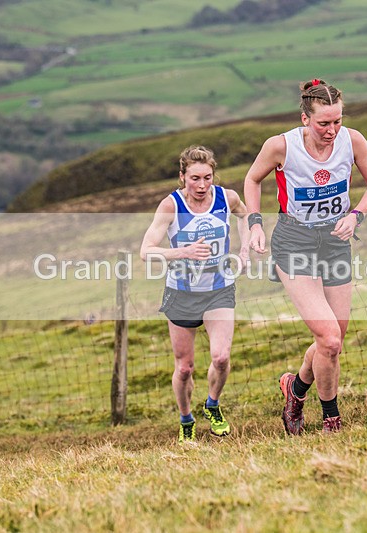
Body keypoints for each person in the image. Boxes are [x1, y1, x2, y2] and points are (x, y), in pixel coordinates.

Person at [243, 79, 367, 434]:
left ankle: (295, 389)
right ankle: (331, 419)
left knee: (332, 341)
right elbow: (252, 179)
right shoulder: (281, 146)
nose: (332, 130)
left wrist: (355, 217)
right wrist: (255, 225)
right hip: (294, 243)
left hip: (335, 242)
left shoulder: (352, 141)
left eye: (337, 121)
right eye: (324, 123)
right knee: (330, 338)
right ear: (305, 118)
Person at [140, 145, 249, 443]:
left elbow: (245, 215)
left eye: (207, 178)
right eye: (194, 179)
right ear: (182, 177)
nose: (201, 186)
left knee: (222, 357)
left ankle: (212, 405)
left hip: (219, 289)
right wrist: (183, 252)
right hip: (182, 294)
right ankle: (186, 419)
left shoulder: (227, 198)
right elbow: (145, 251)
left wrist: (245, 251)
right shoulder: (171, 206)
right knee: (185, 368)